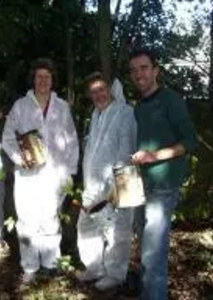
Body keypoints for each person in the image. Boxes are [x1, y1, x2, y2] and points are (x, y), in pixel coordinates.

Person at [129, 49, 198, 300]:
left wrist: (154, 156)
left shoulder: (170, 100)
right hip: (141, 185)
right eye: (134, 70)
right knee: (144, 247)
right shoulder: (139, 106)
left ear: (156, 70)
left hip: (164, 185)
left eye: (144, 67)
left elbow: (191, 141)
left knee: (153, 252)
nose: (139, 74)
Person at [2, 58, 79, 284]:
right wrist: (18, 157)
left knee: (50, 219)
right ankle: (30, 268)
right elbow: (7, 136)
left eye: (48, 76)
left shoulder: (62, 106)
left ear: (53, 80)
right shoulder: (20, 105)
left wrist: (70, 171)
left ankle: (51, 264)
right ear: (33, 80)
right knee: (27, 220)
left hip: (56, 173)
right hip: (28, 174)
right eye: (39, 76)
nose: (44, 80)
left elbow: (72, 140)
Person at [76, 73, 137, 291]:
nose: (98, 95)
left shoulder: (125, 112)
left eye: (101, 89)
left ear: (110, 90)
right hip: (94, 183)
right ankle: (94, 268)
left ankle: (116, 274)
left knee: (117, 231)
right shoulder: (95, 114)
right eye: (93, 92)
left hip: (122, 180)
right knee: (86, 224)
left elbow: (126, 149)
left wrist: (114, 186)